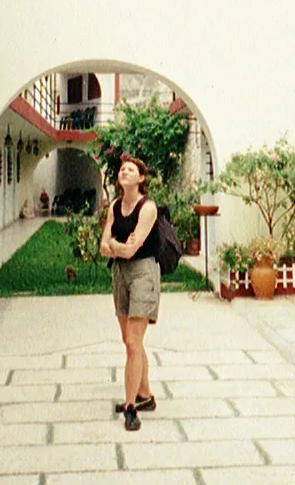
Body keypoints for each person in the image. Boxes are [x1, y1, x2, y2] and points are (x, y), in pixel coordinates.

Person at [99, 154, 161, 431]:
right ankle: (145, 394)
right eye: (122, 168)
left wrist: (115, 244)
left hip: (143, 274)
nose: (124, 171)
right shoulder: (114, 205)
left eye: (131, 169)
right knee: (128, 340)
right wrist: (116, 245)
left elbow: (130, 249)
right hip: (120, 274)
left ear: (141, 178)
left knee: (134, 342)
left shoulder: (147, 208)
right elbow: (104, 247)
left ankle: (131, 406)